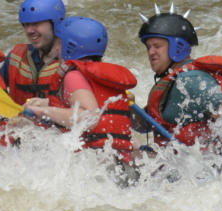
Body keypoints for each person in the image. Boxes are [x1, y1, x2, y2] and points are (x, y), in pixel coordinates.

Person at [135, 8, 222, 166]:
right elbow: (144, 125)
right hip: (185, 165)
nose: (151, 52)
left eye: (157, 46)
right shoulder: (174, 81)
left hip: (208, 169)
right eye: (148, 47)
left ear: (177, 47)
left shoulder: (190, 81)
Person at [23, 16, 138, 165]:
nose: (56, 48)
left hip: (95, 165)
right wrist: (46, 103)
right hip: (119, 161)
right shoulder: (100, 77)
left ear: (69, 46)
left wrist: (44, 112)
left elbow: (89, 116)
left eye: (59, 43)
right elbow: (86, 101)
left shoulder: (73, 76)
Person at [0, 0, 65, 105]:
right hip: (18, 121)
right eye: (26, 25)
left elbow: (85, 110)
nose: (29, 31)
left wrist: (49, 104)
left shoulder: (74, 64)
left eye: (36, 23)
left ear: (56, 23)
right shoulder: (16, 57)